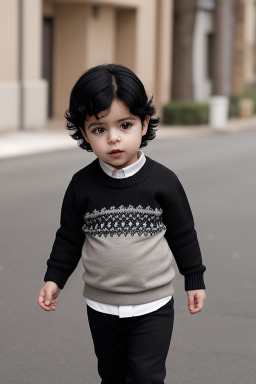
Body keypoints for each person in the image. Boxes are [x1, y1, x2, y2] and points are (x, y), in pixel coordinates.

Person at [38, 63, 206, 384]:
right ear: (84, 134)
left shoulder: (164, 182)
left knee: (146, 376)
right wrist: (55, 278)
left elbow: (183, 234)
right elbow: (69, 237)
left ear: (144, 124)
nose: (113, 139)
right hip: (101, 305)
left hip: (153, 303)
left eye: (125, 125)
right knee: (112, 375)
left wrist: (194, 278)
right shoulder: (82, 184)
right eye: (99, 129)